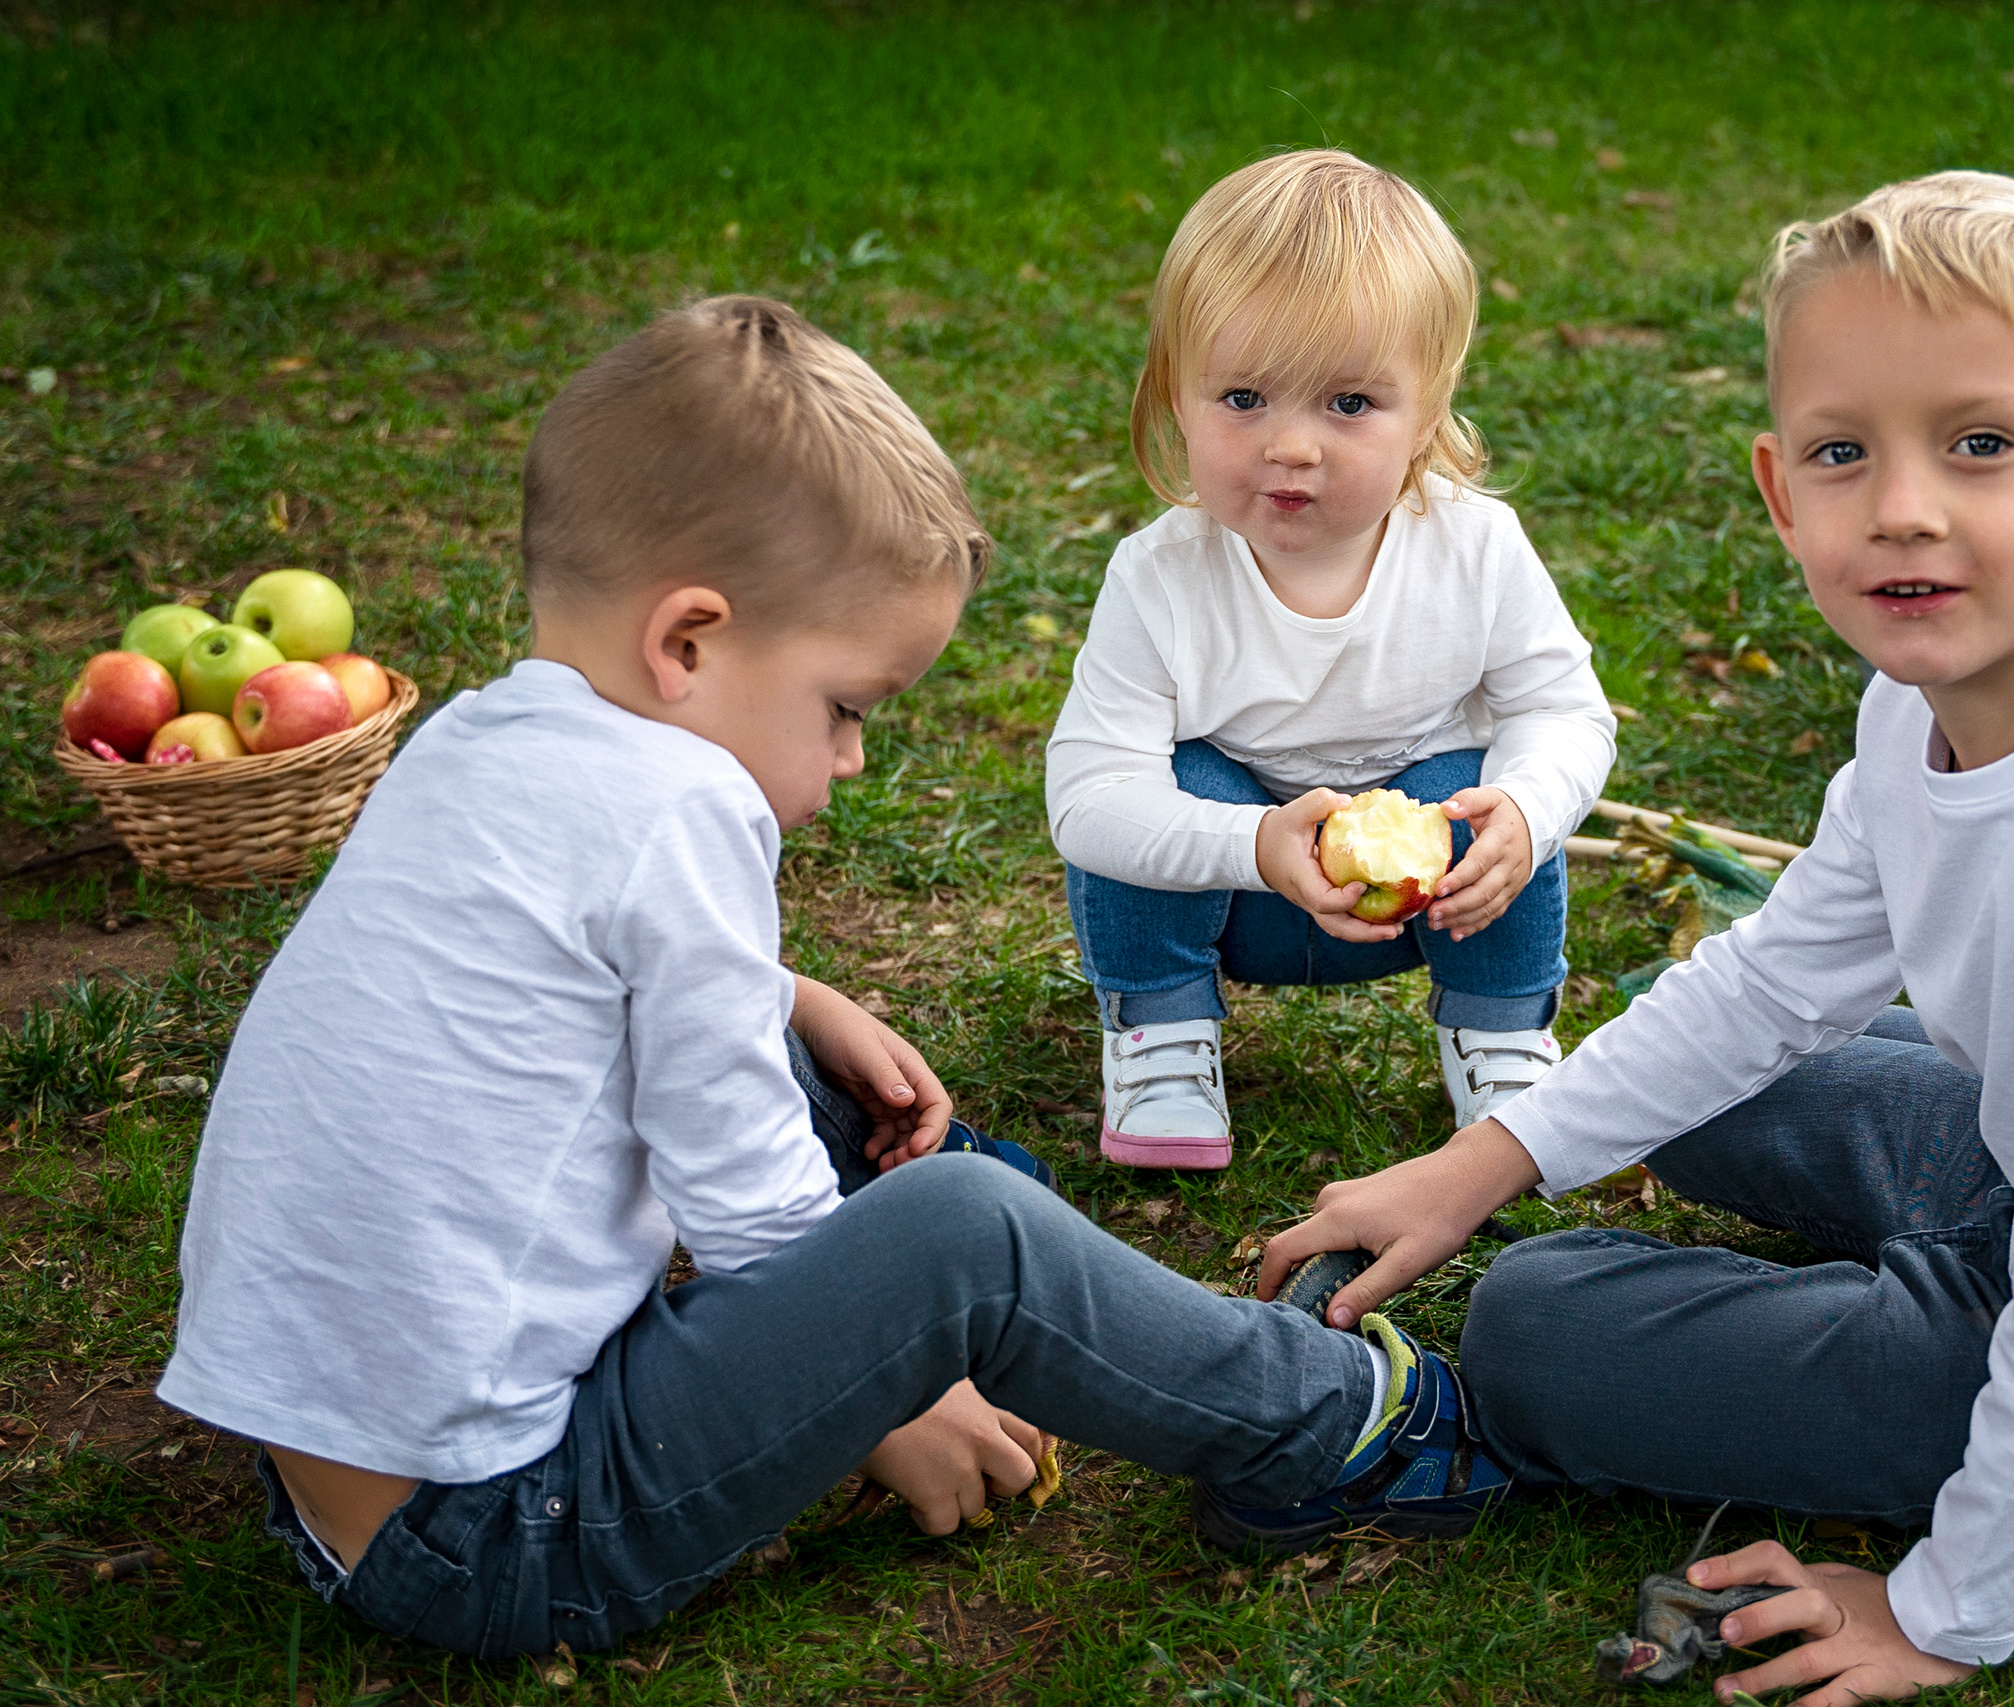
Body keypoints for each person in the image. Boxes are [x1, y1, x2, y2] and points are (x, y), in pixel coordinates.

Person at [155, 297, 1514, 1660]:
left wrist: (786, 993)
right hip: (502, 1529)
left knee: (821, 1082)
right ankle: (1331, 1419)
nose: (855, 757)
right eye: (845, 706)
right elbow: (748, 1193)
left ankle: (1024, 1300)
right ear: (687, 642)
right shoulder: (677, 804)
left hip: (338, 1470)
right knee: (965, 1229)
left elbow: (540, 979)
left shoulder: (472, 740)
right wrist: (889, 1393)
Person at [1257, 173, 2014, 1705]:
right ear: (1781, 491)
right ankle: (1850, 1283)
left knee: (1538, 1326)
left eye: (1981, 443)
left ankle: (1875, 1350)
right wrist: (1477, 1162)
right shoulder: (1921, 705)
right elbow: (1774, 977)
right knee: (1722, 1077)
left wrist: (1943, 1606)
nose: (1903, 505)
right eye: (1844, 452)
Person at [1045, 149, 1618, 1171]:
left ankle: (1499, 1037)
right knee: (1151, 792)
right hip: (1238, 897)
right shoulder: (1158, 577)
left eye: (1348, 404)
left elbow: (1564, 712)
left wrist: (1527, 811)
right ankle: (1162, 1031)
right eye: (1243, 398)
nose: (1292, 447)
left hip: (1436, 898)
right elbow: (1086, 795)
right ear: (1175, 394)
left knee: (1488, 791)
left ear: (1429, 410)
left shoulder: (1475, 546)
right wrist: (1251, 841)